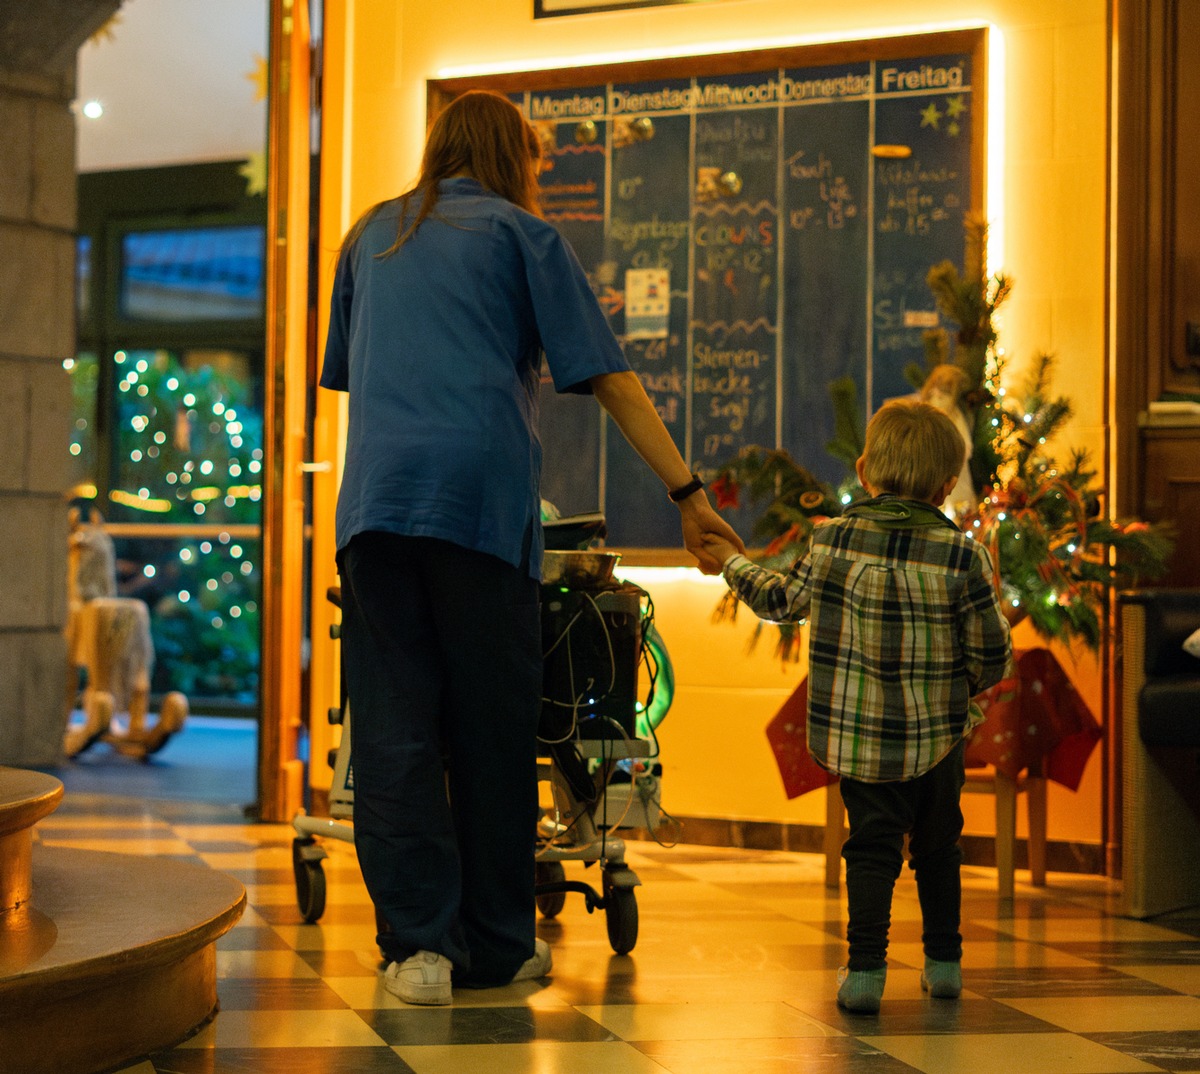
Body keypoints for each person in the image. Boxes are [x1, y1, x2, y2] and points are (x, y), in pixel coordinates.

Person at [320, 89, 744, 1007]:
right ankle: (501, 946)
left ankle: (416, 954)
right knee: (491, 727)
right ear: (516, 156)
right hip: (478, 510)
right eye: (538, 161)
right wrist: (688, 495)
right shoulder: (521, 235)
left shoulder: (367, 238)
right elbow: (612, 380)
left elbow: (357, 376)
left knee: (393, 733)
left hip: (375, 515)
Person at [702, 398, 1010, 1013]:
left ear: (865, 469)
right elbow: (991, 651)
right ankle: (944, 965)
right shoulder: (962, 555)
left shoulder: (833, 540)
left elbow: (781, 601)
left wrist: (730, 563)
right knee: (940, 846)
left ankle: (866, 972)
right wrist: (964, 688)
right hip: (939, 736)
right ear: (949, 485)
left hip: (860, 737)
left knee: (870, 847)